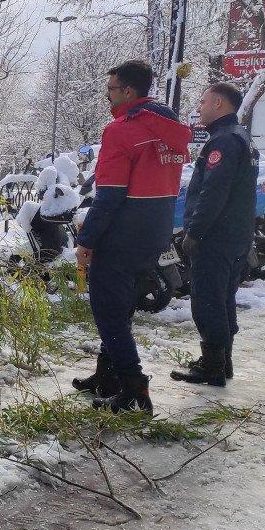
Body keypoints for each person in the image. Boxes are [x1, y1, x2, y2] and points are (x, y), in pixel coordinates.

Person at [73, 61, 191, 414]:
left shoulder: (122, 130)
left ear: (128, 91)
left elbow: (109, 195)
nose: (107, 97)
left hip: (121, 233)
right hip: (154, 231)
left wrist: (87, 239)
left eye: (110, 89)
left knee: (108, 310)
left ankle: (134, 389)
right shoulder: (169, 127)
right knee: (121, 304)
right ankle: (106, 376)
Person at [170, 83, 258, 386]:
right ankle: (223, 361)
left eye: (203, 101)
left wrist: (194, 231)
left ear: (219, 104)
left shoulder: (224, 141)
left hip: (216, 237)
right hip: (235, 235)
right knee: (223, 300)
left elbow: (214, 192)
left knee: (207, 301)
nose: (198, 108)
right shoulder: (241, 138)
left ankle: (212, 366)